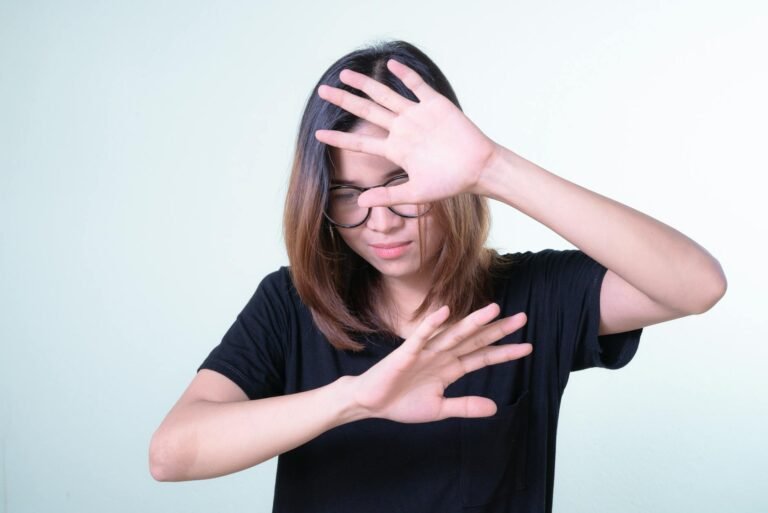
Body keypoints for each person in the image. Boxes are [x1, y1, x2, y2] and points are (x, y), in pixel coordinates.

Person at [149, 40, 727, 513]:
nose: (380, 220)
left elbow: (697, 285)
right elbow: (171, 454)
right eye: (348, 194)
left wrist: (492, 167)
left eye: (401, 182)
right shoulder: (289, 302)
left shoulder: (534, 294)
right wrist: (355, 400)